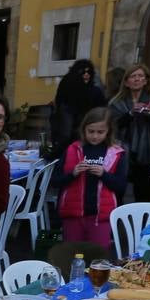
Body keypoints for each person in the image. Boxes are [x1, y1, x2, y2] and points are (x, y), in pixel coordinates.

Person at [58, 107, 128, 250]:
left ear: (108, 131)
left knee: (98, 258)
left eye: (100, 132)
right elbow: (55, 180)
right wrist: (73, 173)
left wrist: (104, 174)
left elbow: (121, 187)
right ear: (83, 129)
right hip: (72, 215)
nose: (95, 136)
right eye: (91, 131)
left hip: (101, 217)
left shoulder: (115, 153)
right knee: (70, 256)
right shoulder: (72, 149)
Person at [109, 63, 150, 201]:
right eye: (133, 76)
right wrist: (130, 113)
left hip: (146, 152)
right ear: (126, 82)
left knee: (144, 191)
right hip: (122, 150)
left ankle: (143, 219)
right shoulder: (116, 102)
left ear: (146, 80)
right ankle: (116, 217)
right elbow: (112, 125)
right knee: (118, 190)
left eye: (140, 76)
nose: (137, 79)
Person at [49, 59, 107, 158]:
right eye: (83, 72)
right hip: (69, 116)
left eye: (88, 72)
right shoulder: (68, 83)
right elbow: (60, 102)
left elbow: (101, 108)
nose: (86, 75)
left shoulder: (95, 89)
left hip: (88, 121)